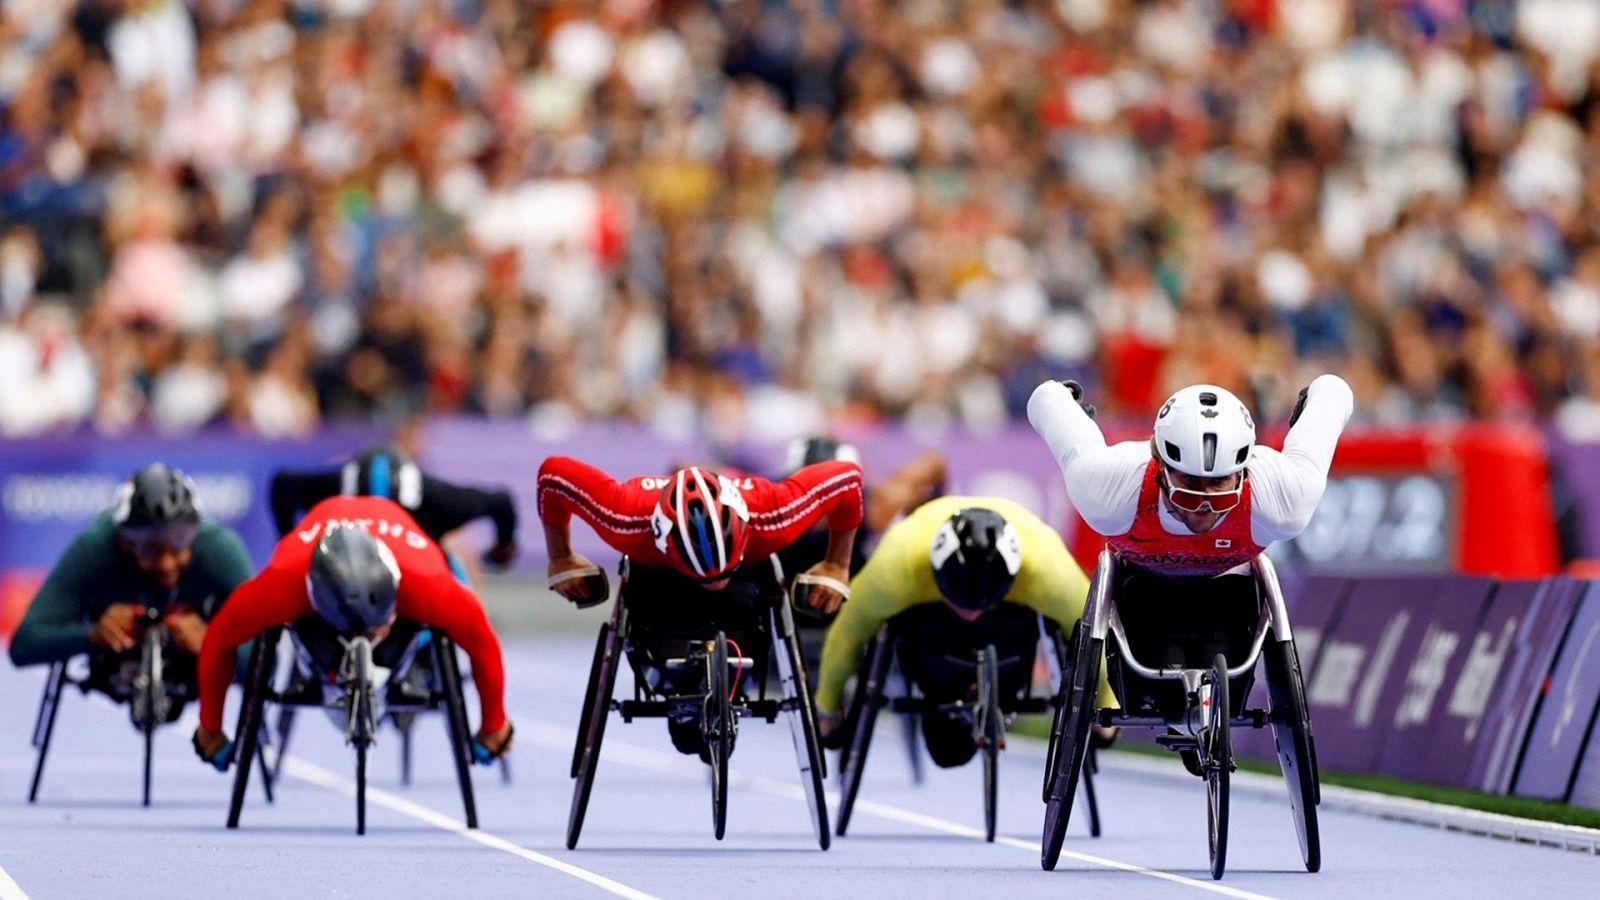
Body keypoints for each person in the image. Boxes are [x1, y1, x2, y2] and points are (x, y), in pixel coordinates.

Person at [1027, 375, 1353, 770]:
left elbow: (1329, 406)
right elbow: (1057, 416)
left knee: (1225, 677)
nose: (1204, 507)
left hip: (1226, 591)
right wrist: (1063, 397)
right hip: (1146, 593)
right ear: (1160, 466)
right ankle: (1185, 723)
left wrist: (1319, 391)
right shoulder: (1110, 489)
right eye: (1188, 489)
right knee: (1159, 689)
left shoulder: (1282, 496)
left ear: (1245, 470)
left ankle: (1200, 726)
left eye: (1219, 486)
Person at [536, 455, 863, 756]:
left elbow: (848, 478)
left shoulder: (773, 511)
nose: (714, 583)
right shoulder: (624, 514)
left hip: (746, 579)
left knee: (746, 601)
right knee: (654, 604)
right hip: (662, 579)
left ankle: (734, 678)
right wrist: (559, 556)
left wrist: (838, 564)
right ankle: (678, 682)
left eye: (722, 572)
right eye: (705, 577)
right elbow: (553, 474)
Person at [191, 495, 513, 770]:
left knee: (445, 623)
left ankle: (384, 644)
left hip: (397, 545)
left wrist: (493, 723)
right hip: (319, 580)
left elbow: (482, 642)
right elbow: (220, 638)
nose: (364, 634)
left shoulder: (427, 584)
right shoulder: (283, 584)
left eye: (373, 629)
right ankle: (330, 648)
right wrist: (210, 725)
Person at [814, 497, 1116, 767]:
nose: (971, 612)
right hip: (934, 626)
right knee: (947, 752)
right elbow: (847, 635)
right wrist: (828, 706)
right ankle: (948, 696)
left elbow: (1095, 637)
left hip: (1009, 627)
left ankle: (999, 688)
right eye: (961, 599)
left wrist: (1105, 705)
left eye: (980, 602)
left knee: (1065, 624)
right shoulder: (897, 567)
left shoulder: (1048, 571)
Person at [9, 463, 254, 716]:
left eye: (180, 541)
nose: (167, 562)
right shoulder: (94, 548)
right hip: (115, 660)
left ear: (195, 532)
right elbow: (25, 644)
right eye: (150, 547)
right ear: (125, 541)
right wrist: (92, 634)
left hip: (192, 666)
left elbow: (266, 661)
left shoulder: (220, 549)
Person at [270, 444, 519, 571]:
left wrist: (288, 539)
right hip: (420, 570)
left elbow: (282, 484)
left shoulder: (331, 489)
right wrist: (501, 551)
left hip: (344, 568)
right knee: (455, 567)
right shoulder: (438, 500)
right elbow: (501, 501)